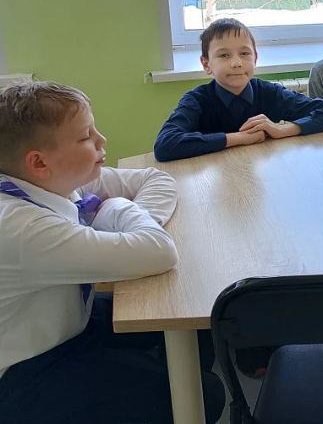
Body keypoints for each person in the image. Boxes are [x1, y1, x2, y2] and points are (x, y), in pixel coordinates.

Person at [0, 82, 225, 424]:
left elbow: (156, 180)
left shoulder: (51, 180)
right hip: (25, 370)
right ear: (39, 162)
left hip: (71, 322)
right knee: (203, 394)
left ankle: (155, 385)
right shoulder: (23, 228)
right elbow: (159, 252)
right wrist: (118, 209)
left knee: (196, 319)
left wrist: (132, 227)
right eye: (85, 136)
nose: (101, 139)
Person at [154, 18, 323, 162]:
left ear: (255, 58)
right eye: (224, 55)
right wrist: (238, 138)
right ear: (206, 64)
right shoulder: (196, 100)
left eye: (244, 53)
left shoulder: (269, 93)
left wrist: (281, 130)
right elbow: (165, 145)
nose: (237, 63)